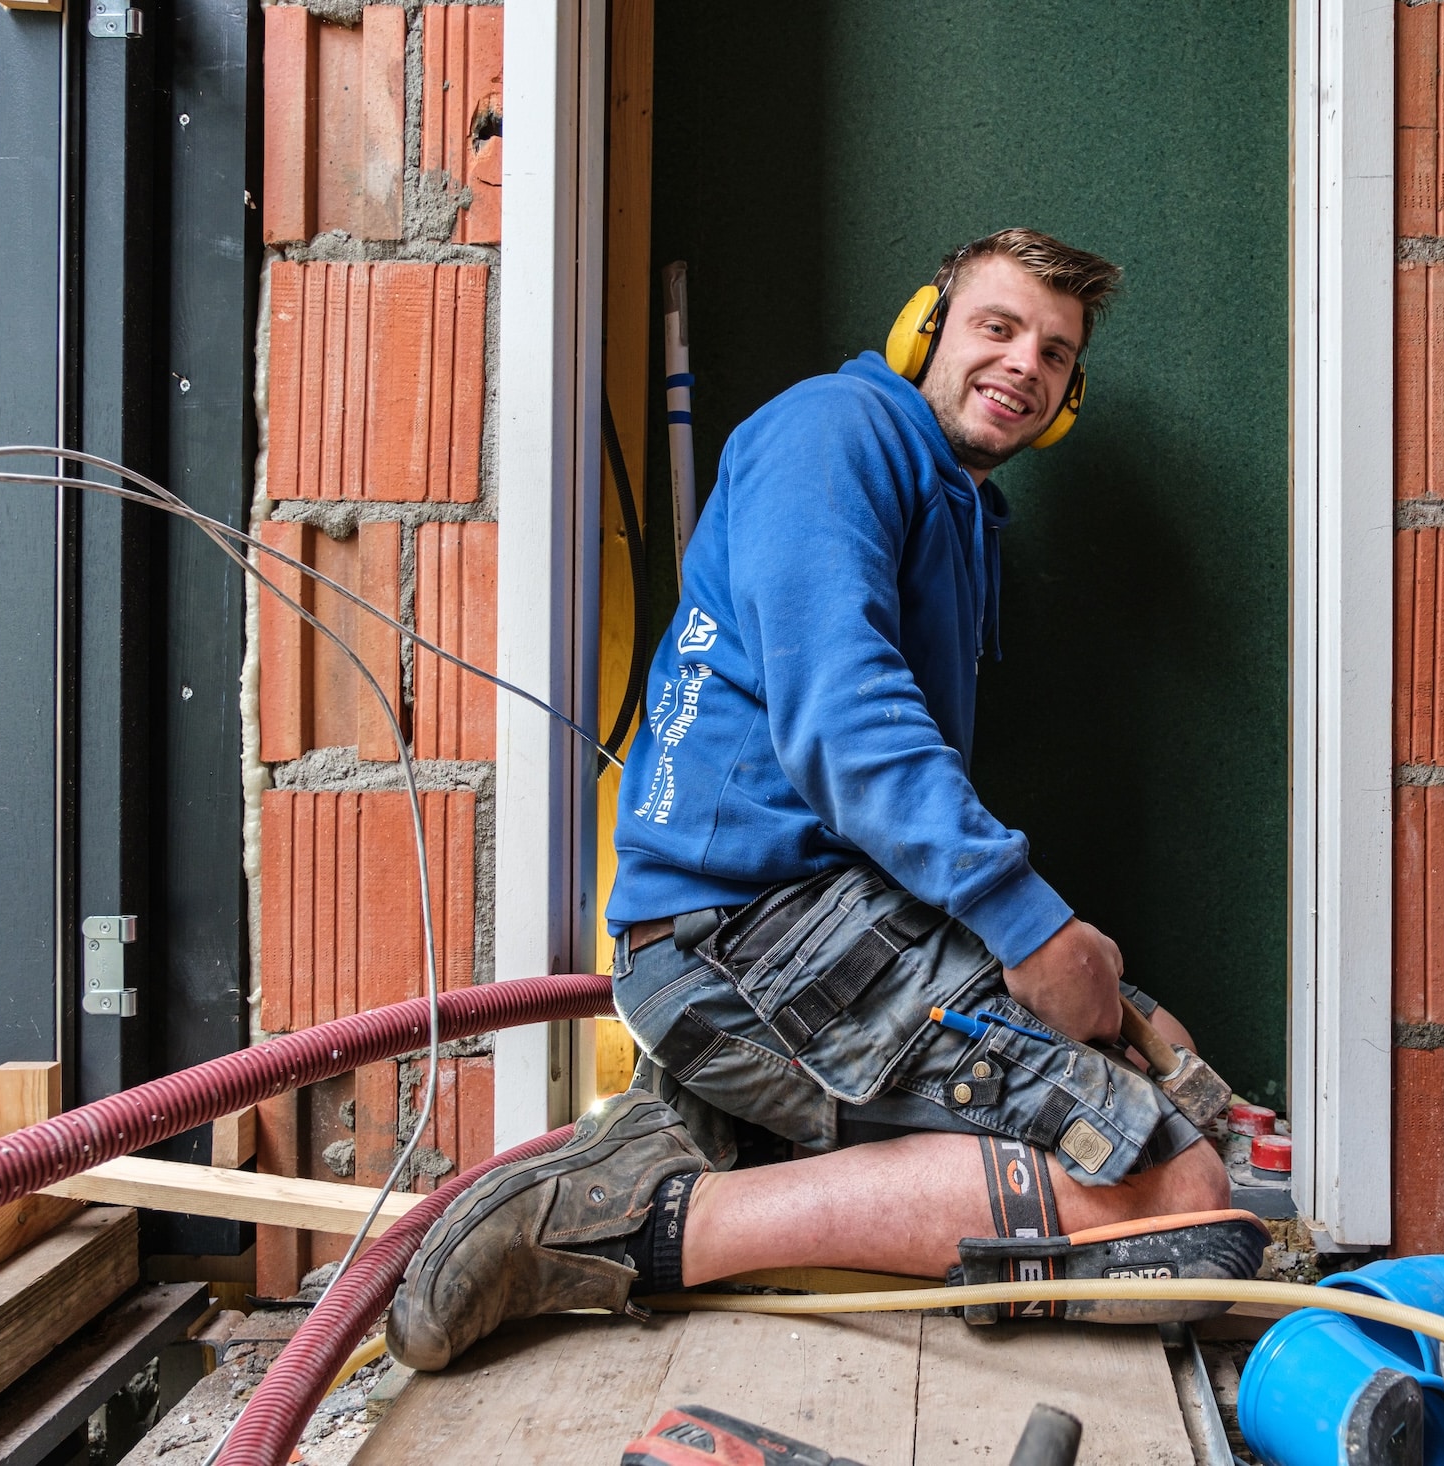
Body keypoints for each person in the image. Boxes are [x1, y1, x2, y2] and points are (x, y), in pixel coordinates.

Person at [388, 229, 1266, 1371]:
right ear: (925, 330)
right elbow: (845, 723)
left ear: (1067, 397)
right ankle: (631, 1221)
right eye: (997, 328)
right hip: (744, 935)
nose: (1023, 364)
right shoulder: (836, 432)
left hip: (819, 922)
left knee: (1166, 1066)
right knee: (1186, 1214)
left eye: (1054, 352)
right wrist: (1026, 920)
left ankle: (713, 1145)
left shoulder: (951, 506)